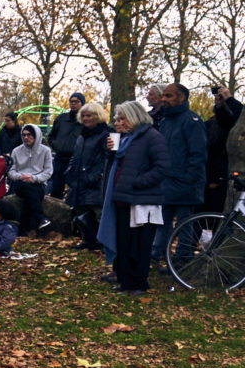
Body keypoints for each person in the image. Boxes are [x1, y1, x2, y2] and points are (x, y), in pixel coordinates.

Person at [98, 101, 169, 295]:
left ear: (135, 117)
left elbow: (161, 167)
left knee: (140, 244)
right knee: (125, 243)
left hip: (142, 200)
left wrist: (137, 182)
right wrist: (111, 151)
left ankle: (138, 283)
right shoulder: (127, 138)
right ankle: (125, 281)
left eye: (123, 118)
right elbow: (119, 165)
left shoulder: (153, 137)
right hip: (123, 199)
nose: (119, 122)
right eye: (118, 119)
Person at [151, 83, 207, 268]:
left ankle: (183, 257)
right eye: (163, 96)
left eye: (168, 96)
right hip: (167, 181)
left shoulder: (192, 121)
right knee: (163, 221)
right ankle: (156, 253)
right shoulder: (166, 121)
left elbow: (198, 154)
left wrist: (187, 178)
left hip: (185, 182)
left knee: (185, 222)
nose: (163, 99)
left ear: (181, 98)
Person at [64, 102, 111, 251]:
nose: (85, 118)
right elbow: (76, 154)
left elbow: (108, 157)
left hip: (95, 181)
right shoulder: (83, 133)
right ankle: (88, 240)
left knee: (99, 214)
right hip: (79, 179)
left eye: (89, 115)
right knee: (81, 213)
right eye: (83, 115)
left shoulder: (107, 133)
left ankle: (105, 243)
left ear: (97, 116)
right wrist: (69, 171)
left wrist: (97, 176)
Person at [7, 124, 53, 235]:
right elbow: (11, 171)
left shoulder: (45, 151)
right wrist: (20, 176)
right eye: (24, 135)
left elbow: (48, 172)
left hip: (38, 184)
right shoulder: (16, 151)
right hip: (20, 183)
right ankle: (41, 217)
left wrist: (34, 178)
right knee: (26, 188)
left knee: (31, 196)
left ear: (36, 135)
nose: (26, 138)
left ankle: (23, 230)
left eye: (29, 135)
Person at [205, 86, 242, 212]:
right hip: (211, 173)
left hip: (221, 173)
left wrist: (229, 100)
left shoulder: (231, 120)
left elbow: (232, 120)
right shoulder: (211, 123)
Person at [47, 92, 85, 198]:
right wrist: (55, 145)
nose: (73, 104)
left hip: (76, 160)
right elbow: (51, 136)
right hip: (60, 158)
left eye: (76, 102)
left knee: (74, 189)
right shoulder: (61, 119)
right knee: (56, 188)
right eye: (71, 101)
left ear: (82, 103)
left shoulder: (85, 120)